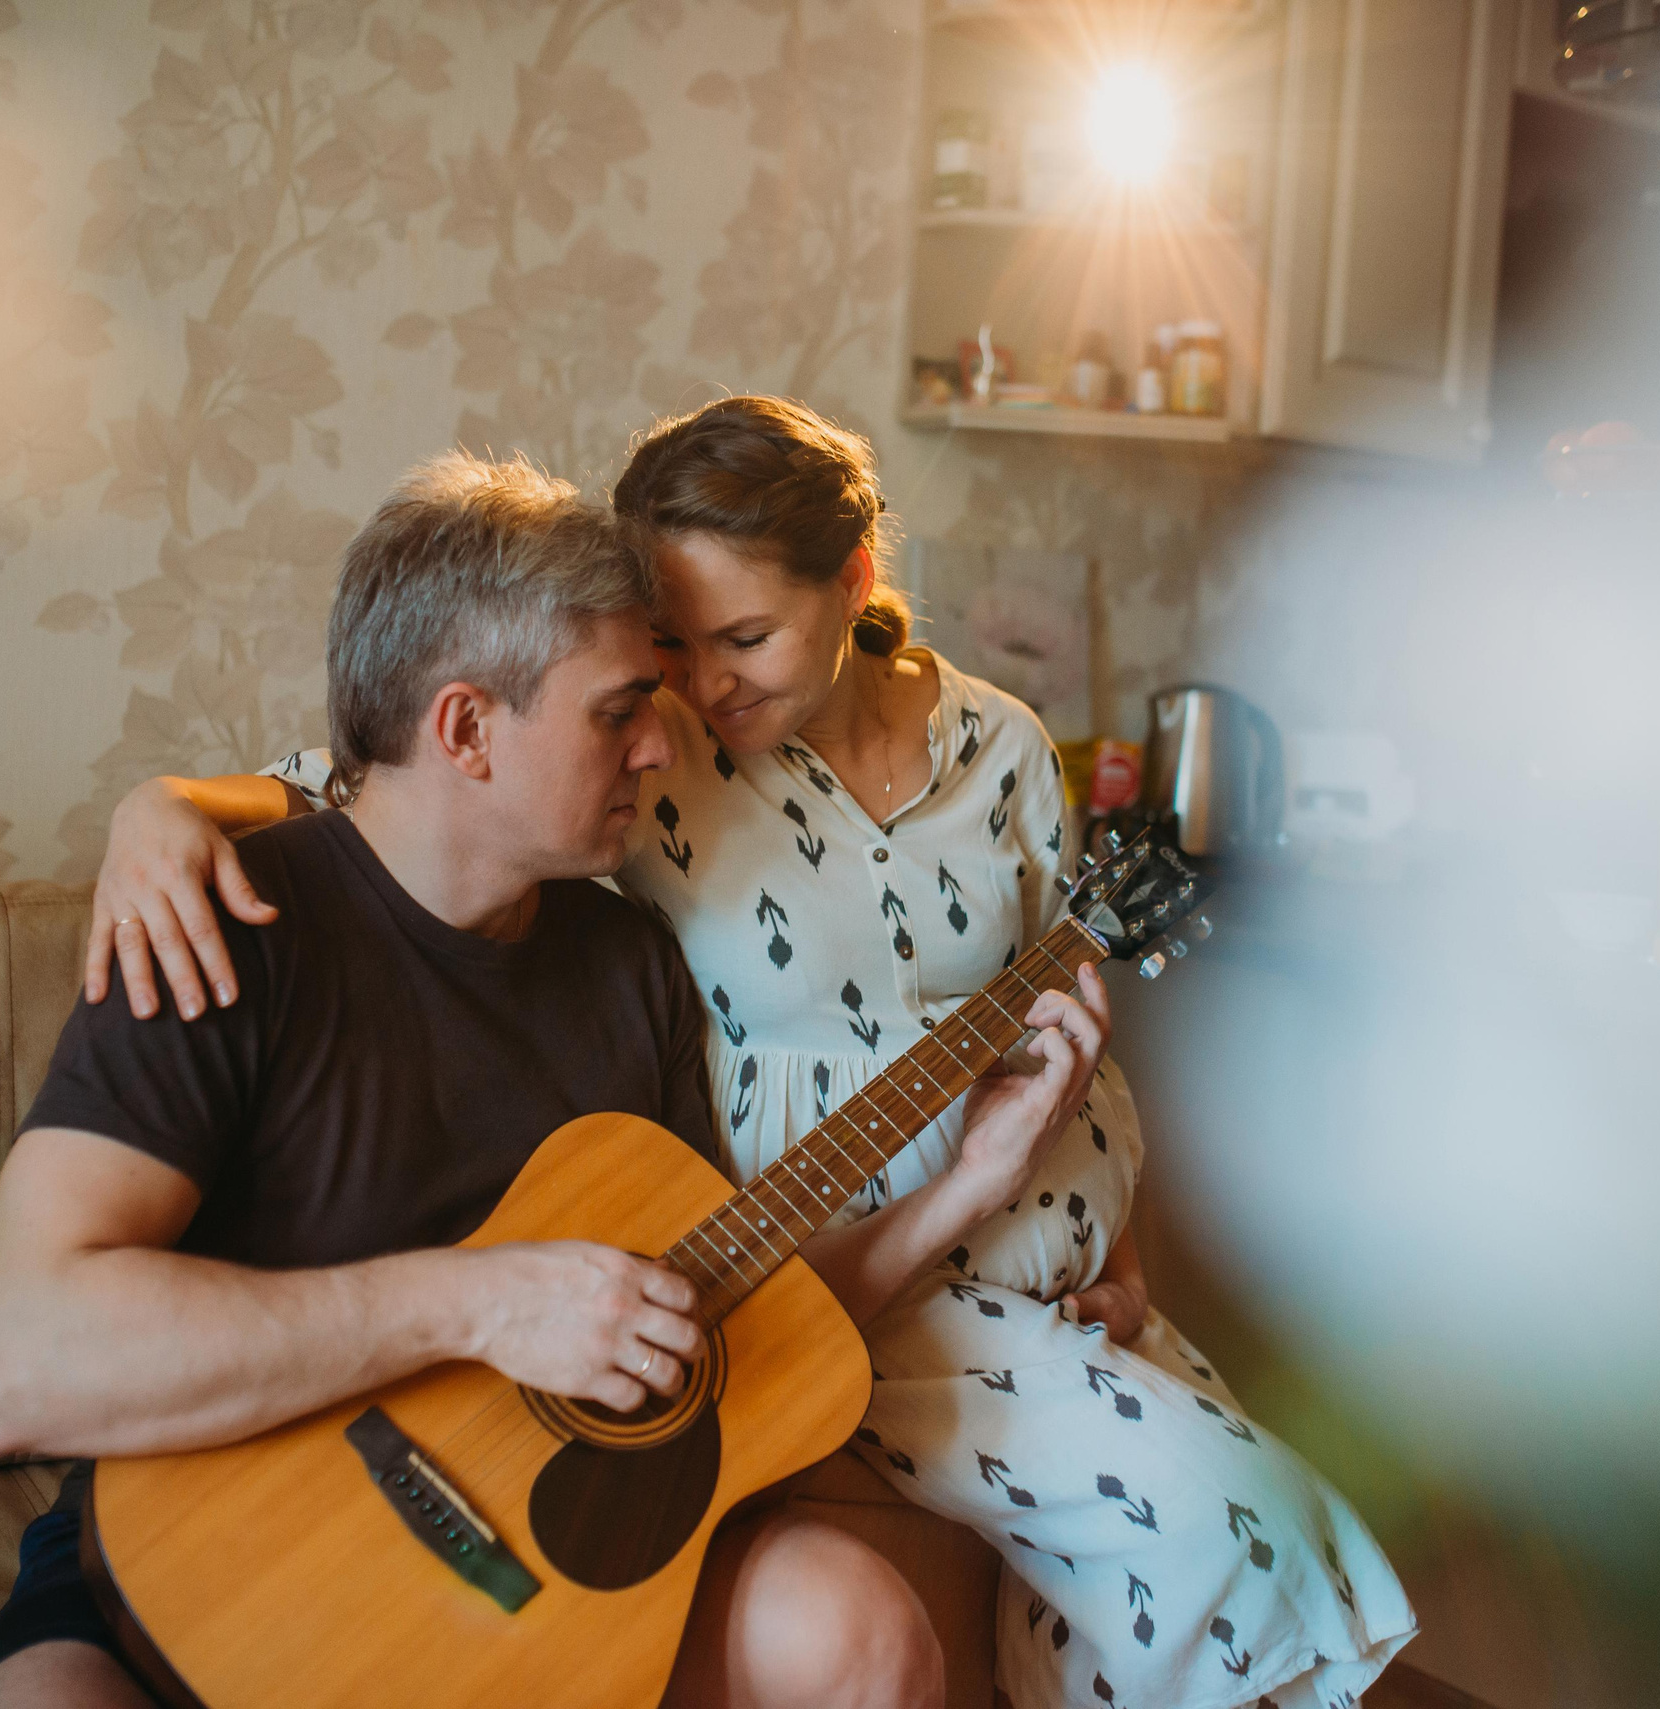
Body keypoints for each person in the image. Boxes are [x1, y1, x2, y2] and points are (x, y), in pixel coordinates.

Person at [91, 398, 1414, 1709]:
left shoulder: (1006, 745)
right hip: (839, 1266)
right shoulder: (653, 759)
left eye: (745, 637)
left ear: (854, 582)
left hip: (1044, 1255)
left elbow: (1066, 1033)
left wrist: (1121, 1262)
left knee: (1236, 1566)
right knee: (1249, 1526)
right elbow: (393, 778)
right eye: (673, 645)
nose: (704, 685)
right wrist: (163, 808)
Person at [0, 451, 1113, 1709]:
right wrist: (472, 1305)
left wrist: (970, 1183)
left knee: (853, 1629)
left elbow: (714, 1302)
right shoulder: (220, 925)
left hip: (531, 1593)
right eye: (618, 710)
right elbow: (12, 1369)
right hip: (188, 1562)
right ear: (463, 729)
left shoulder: (632, 968)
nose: (664, 746)